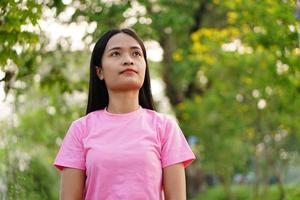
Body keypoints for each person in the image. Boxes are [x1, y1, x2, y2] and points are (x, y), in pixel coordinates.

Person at [53, 28, 196, 200]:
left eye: (136, 53)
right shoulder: (80, 129)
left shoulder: (165, 128)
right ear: (99, 71)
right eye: (116, 54)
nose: (128, 60)